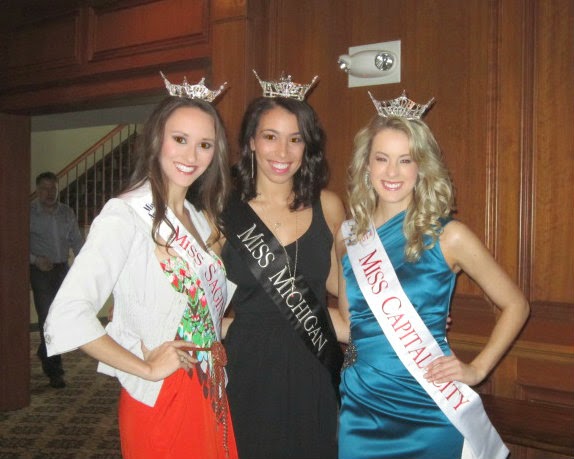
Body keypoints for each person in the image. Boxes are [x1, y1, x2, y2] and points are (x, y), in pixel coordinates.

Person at [44, 73, 238, 459]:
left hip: (209, 388)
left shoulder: (199, 220)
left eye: (204, 145)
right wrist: (144, 368)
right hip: (161, 394)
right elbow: (66, 315)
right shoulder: (125, 215)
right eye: (179, 139)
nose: (191, 156)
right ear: (156, 140)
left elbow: (198, 313)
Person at [336, 92, 530, 459]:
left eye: (405, 160)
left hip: (429, 405)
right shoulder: (348, 237)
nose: (392, 172)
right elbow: (351, 324)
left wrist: (478, 369)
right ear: (366, 165)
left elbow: (516, 305)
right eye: (382, 158)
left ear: (421, 167)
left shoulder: (448, 236)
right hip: (362, 406)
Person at [220, 71, 345, 459]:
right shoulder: (222, 213)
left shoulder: (329, 206)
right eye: (270, 136)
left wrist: (412, 308)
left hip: (313, 365)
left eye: (296, 139)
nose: (283, 151)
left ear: (308, 146)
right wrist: (231, 326)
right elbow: (196, 300)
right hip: (247, 366)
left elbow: (346, 289)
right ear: (251, 142)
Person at [30, 171, 84, 388]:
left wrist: (86, 265)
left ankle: (44, 351)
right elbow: (18, 242)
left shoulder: (66, 212)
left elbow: (77, 241)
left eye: (53, 188)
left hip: (62, 269)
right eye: (44, 188)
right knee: (47, 319)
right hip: (40, 271)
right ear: (37, 190)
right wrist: (35, 260)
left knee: (61, 317)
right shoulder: (29, 213)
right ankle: (55, 371)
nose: (49, 192)